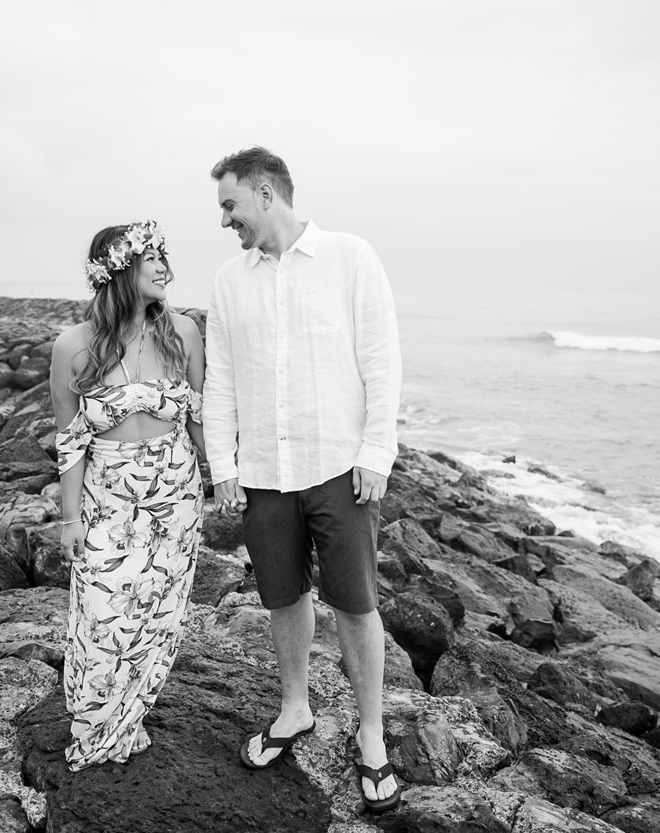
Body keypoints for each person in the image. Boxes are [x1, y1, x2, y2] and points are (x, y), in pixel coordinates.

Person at [203, 147, 403, 812]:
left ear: (265, 192)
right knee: (282, 595)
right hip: (264, 472)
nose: (226, 219)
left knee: (354, 601)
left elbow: (381, 357)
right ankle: (295, 708)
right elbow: (222, 379)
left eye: (230, 204)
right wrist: (223, 466)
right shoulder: (231, 280)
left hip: (340, 466)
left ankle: (371, 733)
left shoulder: (350, 257)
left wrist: (378, 449)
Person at [49, 220, 207, 771]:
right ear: (118, 271)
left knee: (158, 615)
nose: (165, 267)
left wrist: (226, 479)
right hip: (106, 500)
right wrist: (70, 520)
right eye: (152, 258)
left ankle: (132, 713)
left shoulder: (181, 332)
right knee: (102, 614)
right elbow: (70, 443)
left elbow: (199, 417)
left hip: (176, 497)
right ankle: (97, 723)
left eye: (166, 256)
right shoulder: (72, 346)